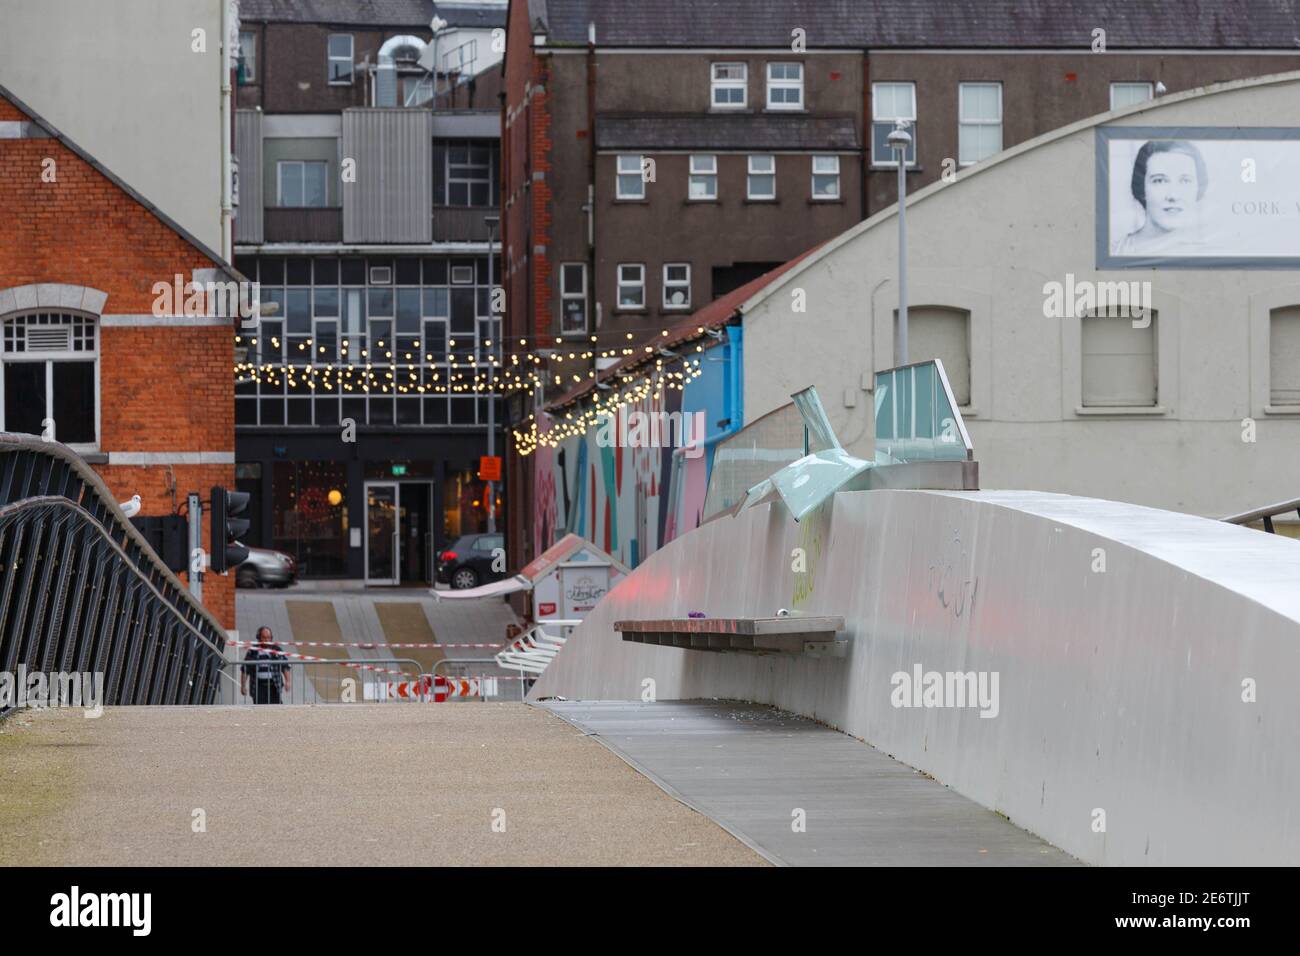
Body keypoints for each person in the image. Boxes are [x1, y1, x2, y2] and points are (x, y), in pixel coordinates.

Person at [1112, 139, 1209, 255]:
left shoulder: (1211, 254)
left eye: (1185, 181)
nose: (1173, 195)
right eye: (1159, 181)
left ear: (1198, 188)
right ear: (1142, 187)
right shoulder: (1115, 252)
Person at [241, 626, 291, 704]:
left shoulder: (277, 650)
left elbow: (285, 666)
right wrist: (243, 686)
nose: (266, 640)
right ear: (259, 638)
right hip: (258, 686)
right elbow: (245, 669)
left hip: (274, 685)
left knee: (276, 708)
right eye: (264, 638)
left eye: (268, 638)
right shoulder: (253, 651)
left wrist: (288, 681)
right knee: (260, 709)